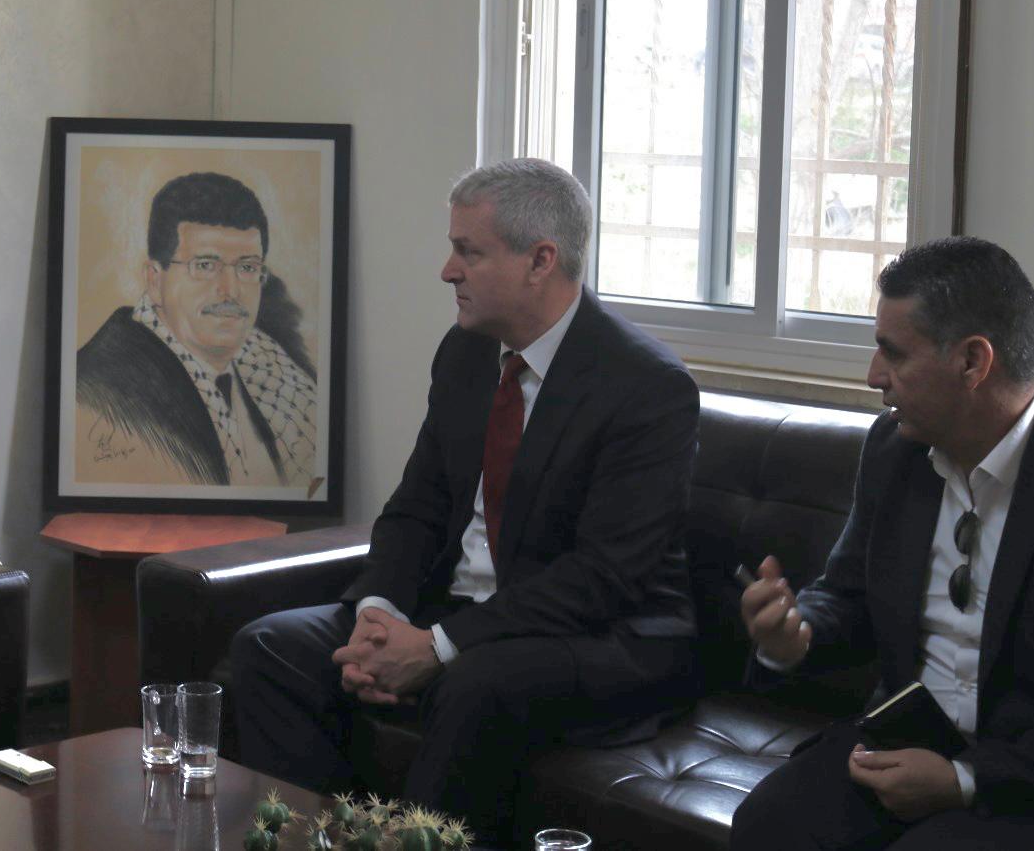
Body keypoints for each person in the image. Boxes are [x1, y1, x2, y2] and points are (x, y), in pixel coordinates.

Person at [228, 159, 700, 848]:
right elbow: (417, 508)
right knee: (271, 647)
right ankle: (326, 841)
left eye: (468, 252)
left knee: (474, 684)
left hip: (605, 636)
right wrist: (380, 613)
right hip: (464, 614)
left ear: (540, 261)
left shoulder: (646, 385)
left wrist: (439, 647)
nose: (447, 271)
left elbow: (604, 576)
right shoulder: (467, 353)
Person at [731, 237, 1034, 850]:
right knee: (770, 823)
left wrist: (966, 779)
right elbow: (847, 596)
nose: (874, 376)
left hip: (1032, 777)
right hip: (902, 738)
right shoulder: (894, 450)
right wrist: (795, 635)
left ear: (972, 362)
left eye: (893, 353)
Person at [75, 172, 318, 488]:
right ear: (155, 280)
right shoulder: (97, 395)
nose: (230, 290)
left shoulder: (273, 367)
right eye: (205, 265)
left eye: (247, 267)